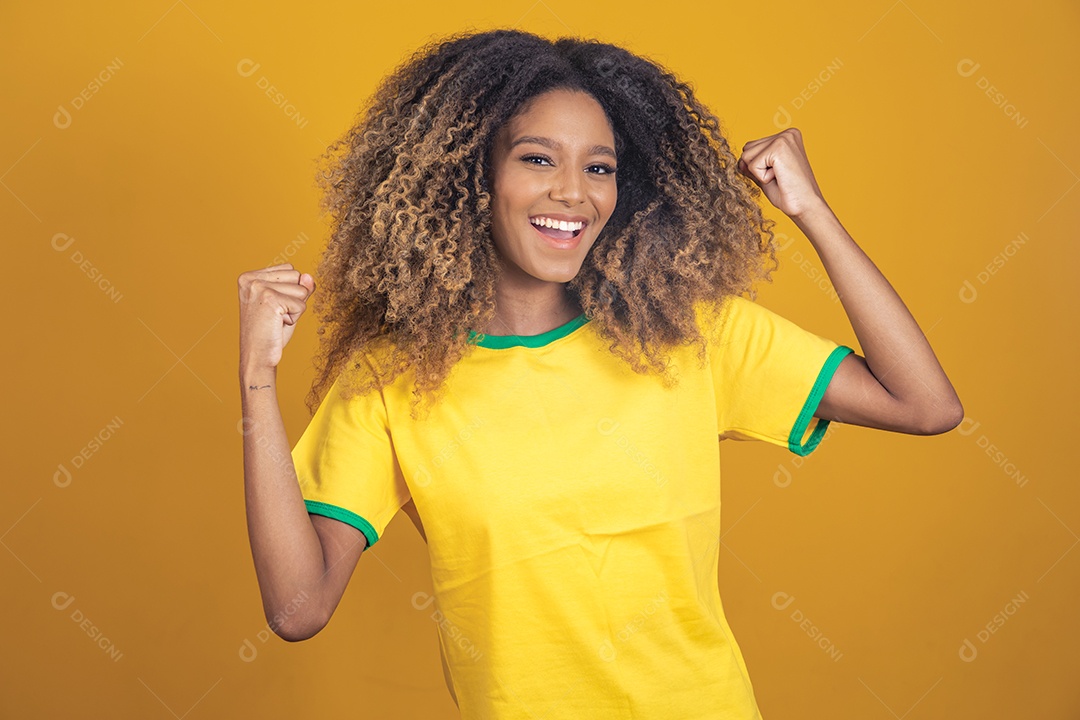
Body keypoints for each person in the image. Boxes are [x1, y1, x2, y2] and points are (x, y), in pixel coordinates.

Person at [237, 28, 962, 720]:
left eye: (599, 167)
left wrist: (810, 209)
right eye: (537, 159)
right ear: (469, 175)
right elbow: (299, 608)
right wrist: (257, 380)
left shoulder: (686, 335)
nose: (574, 193)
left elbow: (925, 404)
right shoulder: (396, 378)